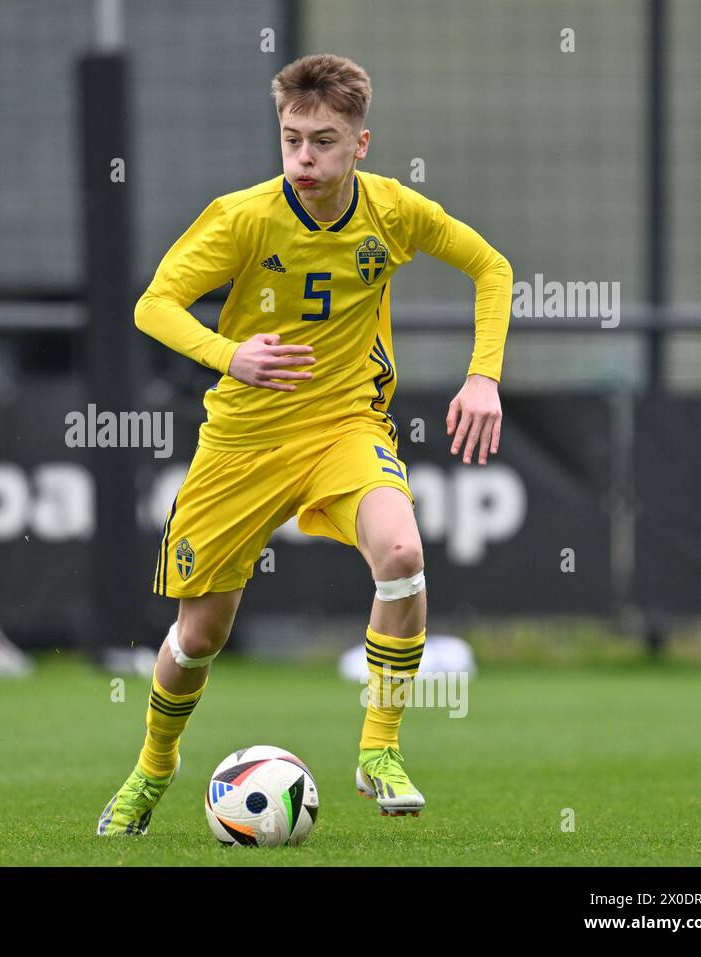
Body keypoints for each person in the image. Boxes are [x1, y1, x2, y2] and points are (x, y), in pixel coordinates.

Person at [96, 53, 511, 836]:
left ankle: (378, 749)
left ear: (361, 143)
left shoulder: (392, 212)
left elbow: (491, 267)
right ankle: (155, 766)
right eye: (291, 140)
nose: (304, 159)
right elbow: (155, 305)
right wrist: (231, 355)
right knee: (200, 634)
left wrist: (481, 376)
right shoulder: (245, 217)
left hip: (344, 426)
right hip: (244, 441)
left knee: (402, 554)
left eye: (323, 141)